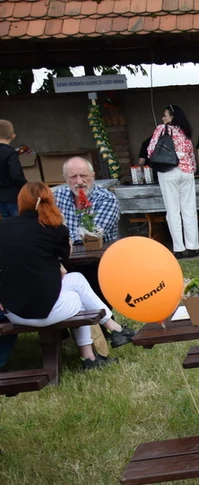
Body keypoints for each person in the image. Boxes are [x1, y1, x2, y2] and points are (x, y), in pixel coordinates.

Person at [0, 183, 134, 370]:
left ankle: (104, 340)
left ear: (21, 202)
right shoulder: (54, 229)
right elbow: (66, 254)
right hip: (47, 312)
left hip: (14, 313)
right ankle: (108, 335)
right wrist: (62, 226)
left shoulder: (4, 227)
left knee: (76, 279)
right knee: (78, 296)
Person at [147, 105, 199, 259]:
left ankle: (178, 248)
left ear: (171, 117)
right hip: (187, 172)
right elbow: (191, 154)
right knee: (189, 210)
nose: (163, 118)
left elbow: (151, 150)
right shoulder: (185, 130)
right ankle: (193, 247)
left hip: (169, 171)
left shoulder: (162, 129)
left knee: (173, 211)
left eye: (165, 115)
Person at [52, 156, 120, 244]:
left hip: (98, 254)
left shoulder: (106, 199)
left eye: (83, 175)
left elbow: (93, 235)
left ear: (93, 176)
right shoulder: (58, 196)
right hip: (65, 253)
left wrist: (57, 238)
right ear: (66, 178)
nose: (79, 182)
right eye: (73, 177)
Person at [0, 120, 27, 218]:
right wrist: (26, 186)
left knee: (6, 224)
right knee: (19, 223)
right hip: (12, 197)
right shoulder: (11, 153)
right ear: (13, 136)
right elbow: (17, 175)